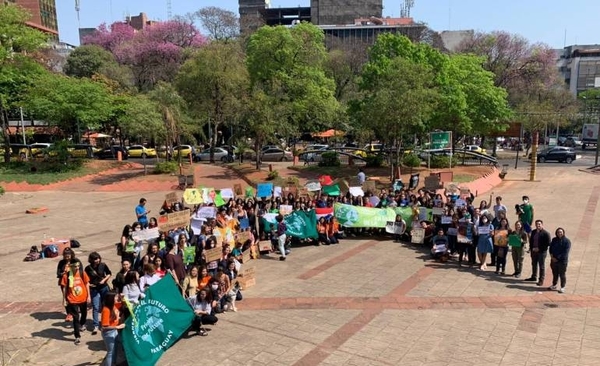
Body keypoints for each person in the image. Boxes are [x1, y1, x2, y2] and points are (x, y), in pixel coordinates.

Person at [61, 261, 90, 345]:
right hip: (72, 299)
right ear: (70, 266)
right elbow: (64, 288)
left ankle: (82, 324)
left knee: (84, 314)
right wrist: (64, 299)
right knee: (76, 318)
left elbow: (87, 283)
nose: (77, 268)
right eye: (75, 266)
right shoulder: (66, 275)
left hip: (83, 298)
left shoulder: (82, 273)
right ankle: (77, 336)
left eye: (78, 266)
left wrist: (89, 296)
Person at [85, 252, 112, 335]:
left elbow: (109, 273)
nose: (97, 260)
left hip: (103, 288)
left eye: (98, 258)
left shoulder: (103, 265)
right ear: (91, 260)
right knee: (95, 307)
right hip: (94, 289)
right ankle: (95, 325)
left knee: (106, 305)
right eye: (95, 259)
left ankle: (106, 321)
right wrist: (89, 285)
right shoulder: (88, 268)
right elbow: (86, 279)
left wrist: (104, 280)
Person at [56, 248, 82, 322]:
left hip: (75, 282)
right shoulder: (61, 262)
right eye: (65, 255)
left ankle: (76, 311)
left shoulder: (76, 261)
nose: (67, 257)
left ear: (71, 254)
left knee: (75, 296)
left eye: (68, 255)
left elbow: (81, 271)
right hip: (64, 283)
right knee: (67, 298)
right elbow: (58, 273)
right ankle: (69, 314)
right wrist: (63, 273)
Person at [100, 292, 125, 366]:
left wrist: (122, 297)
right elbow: (104, 326)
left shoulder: (114, 305)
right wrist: (117, 327)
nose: (117, 298)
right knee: (110, 352)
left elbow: (123, 304)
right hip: (108, 333)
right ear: (111, 299)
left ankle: (113, 363)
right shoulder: (106, 310)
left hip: (114, 331)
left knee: (115, 350)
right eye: (116, 297)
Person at [525, 220, 551, 286]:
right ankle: (534, 276)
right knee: (534, 264)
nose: (538, 225)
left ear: (542, 225)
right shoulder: (533, 232)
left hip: (541, 252)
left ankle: (541, 280)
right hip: (533, 251)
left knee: (541, 266)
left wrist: (539, 248)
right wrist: (531, 249)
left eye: (539, 224)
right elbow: (531, 241)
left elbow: (548, 244)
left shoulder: (546, 233)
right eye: (537, 224)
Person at [549, 227, 571, 293]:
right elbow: (550, 248)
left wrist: (557, 258)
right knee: (555, 273)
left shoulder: (567, 241)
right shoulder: (554, 240)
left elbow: (565, 252)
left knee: (562, 274)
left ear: (563, 233)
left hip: (562, 261)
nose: (559, 233)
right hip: (553, 260)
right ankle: (554, 284)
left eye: (561, 232)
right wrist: (552, 256)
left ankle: (562, 287)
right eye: (558, 232)